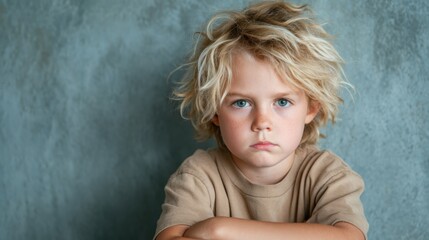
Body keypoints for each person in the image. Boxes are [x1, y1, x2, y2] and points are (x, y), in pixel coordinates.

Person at [155, 1, 369, 239]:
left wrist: (219, 229)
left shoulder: (327, 175)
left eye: (282, 102)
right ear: (215, 111)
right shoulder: (198, 175)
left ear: (311, 108)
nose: (262, 122)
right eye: (241, 103)